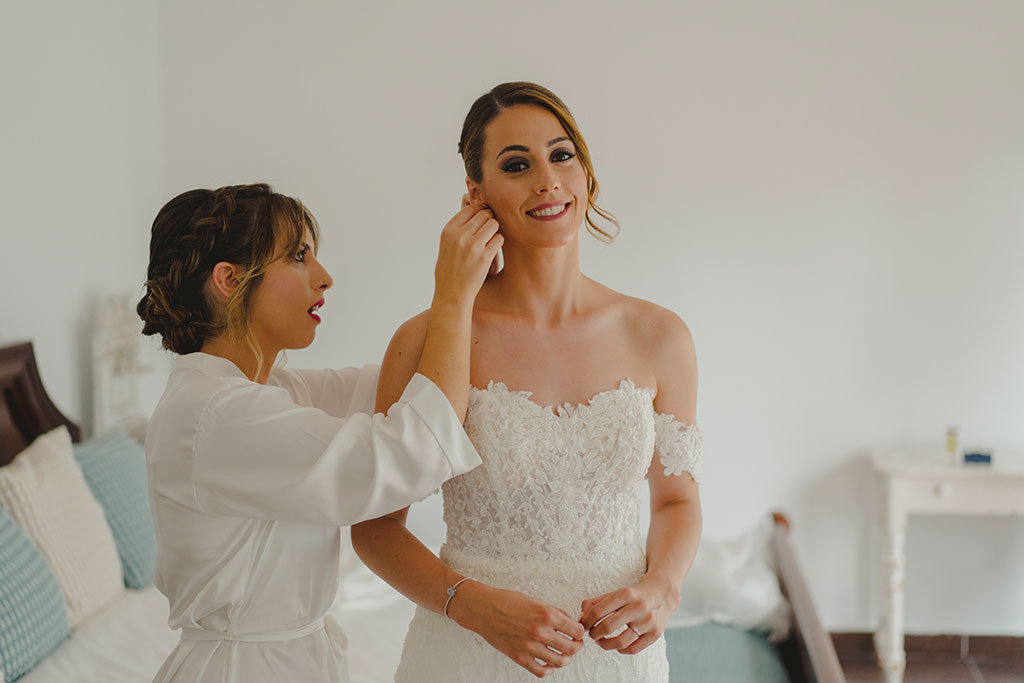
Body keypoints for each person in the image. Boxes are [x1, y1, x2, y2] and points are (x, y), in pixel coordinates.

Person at [351, 83, 703, 682]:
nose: (546, 179)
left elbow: (677, 499)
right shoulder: (427, 339)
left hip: (615, 662)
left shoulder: (659, 335)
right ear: (476, 193)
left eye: (561, 155)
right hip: (468, 655)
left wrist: (663, 588)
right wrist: (472, 606)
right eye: (517, 164)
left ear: (585, 172)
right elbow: (376, 530)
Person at [137, 183, 501, 683]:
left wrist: (477, 280)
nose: (325, 278)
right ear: (229, 279)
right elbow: (403, 453)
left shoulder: (266, 390)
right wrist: (452, 295)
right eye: (299, 256)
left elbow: (404, 390)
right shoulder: (215, 414)